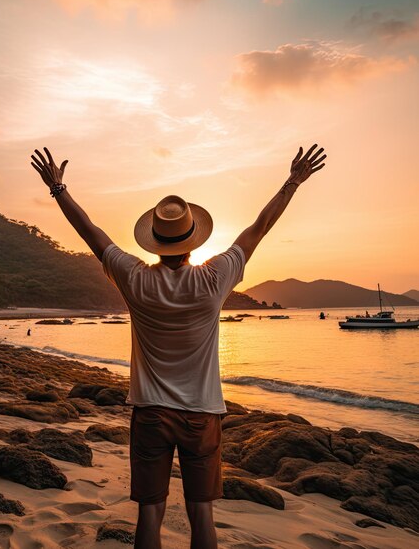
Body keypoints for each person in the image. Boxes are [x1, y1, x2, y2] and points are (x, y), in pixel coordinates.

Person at [31, 143, 326, 549]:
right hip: (202, 416)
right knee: (201, 512)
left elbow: (92, 233)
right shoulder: (214, 278)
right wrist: (293, 181)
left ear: (154, 239)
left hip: (151, 413)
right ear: (193, 240)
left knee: (150, 512)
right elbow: (258, 228)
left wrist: (58, 188)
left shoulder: (134, 278)